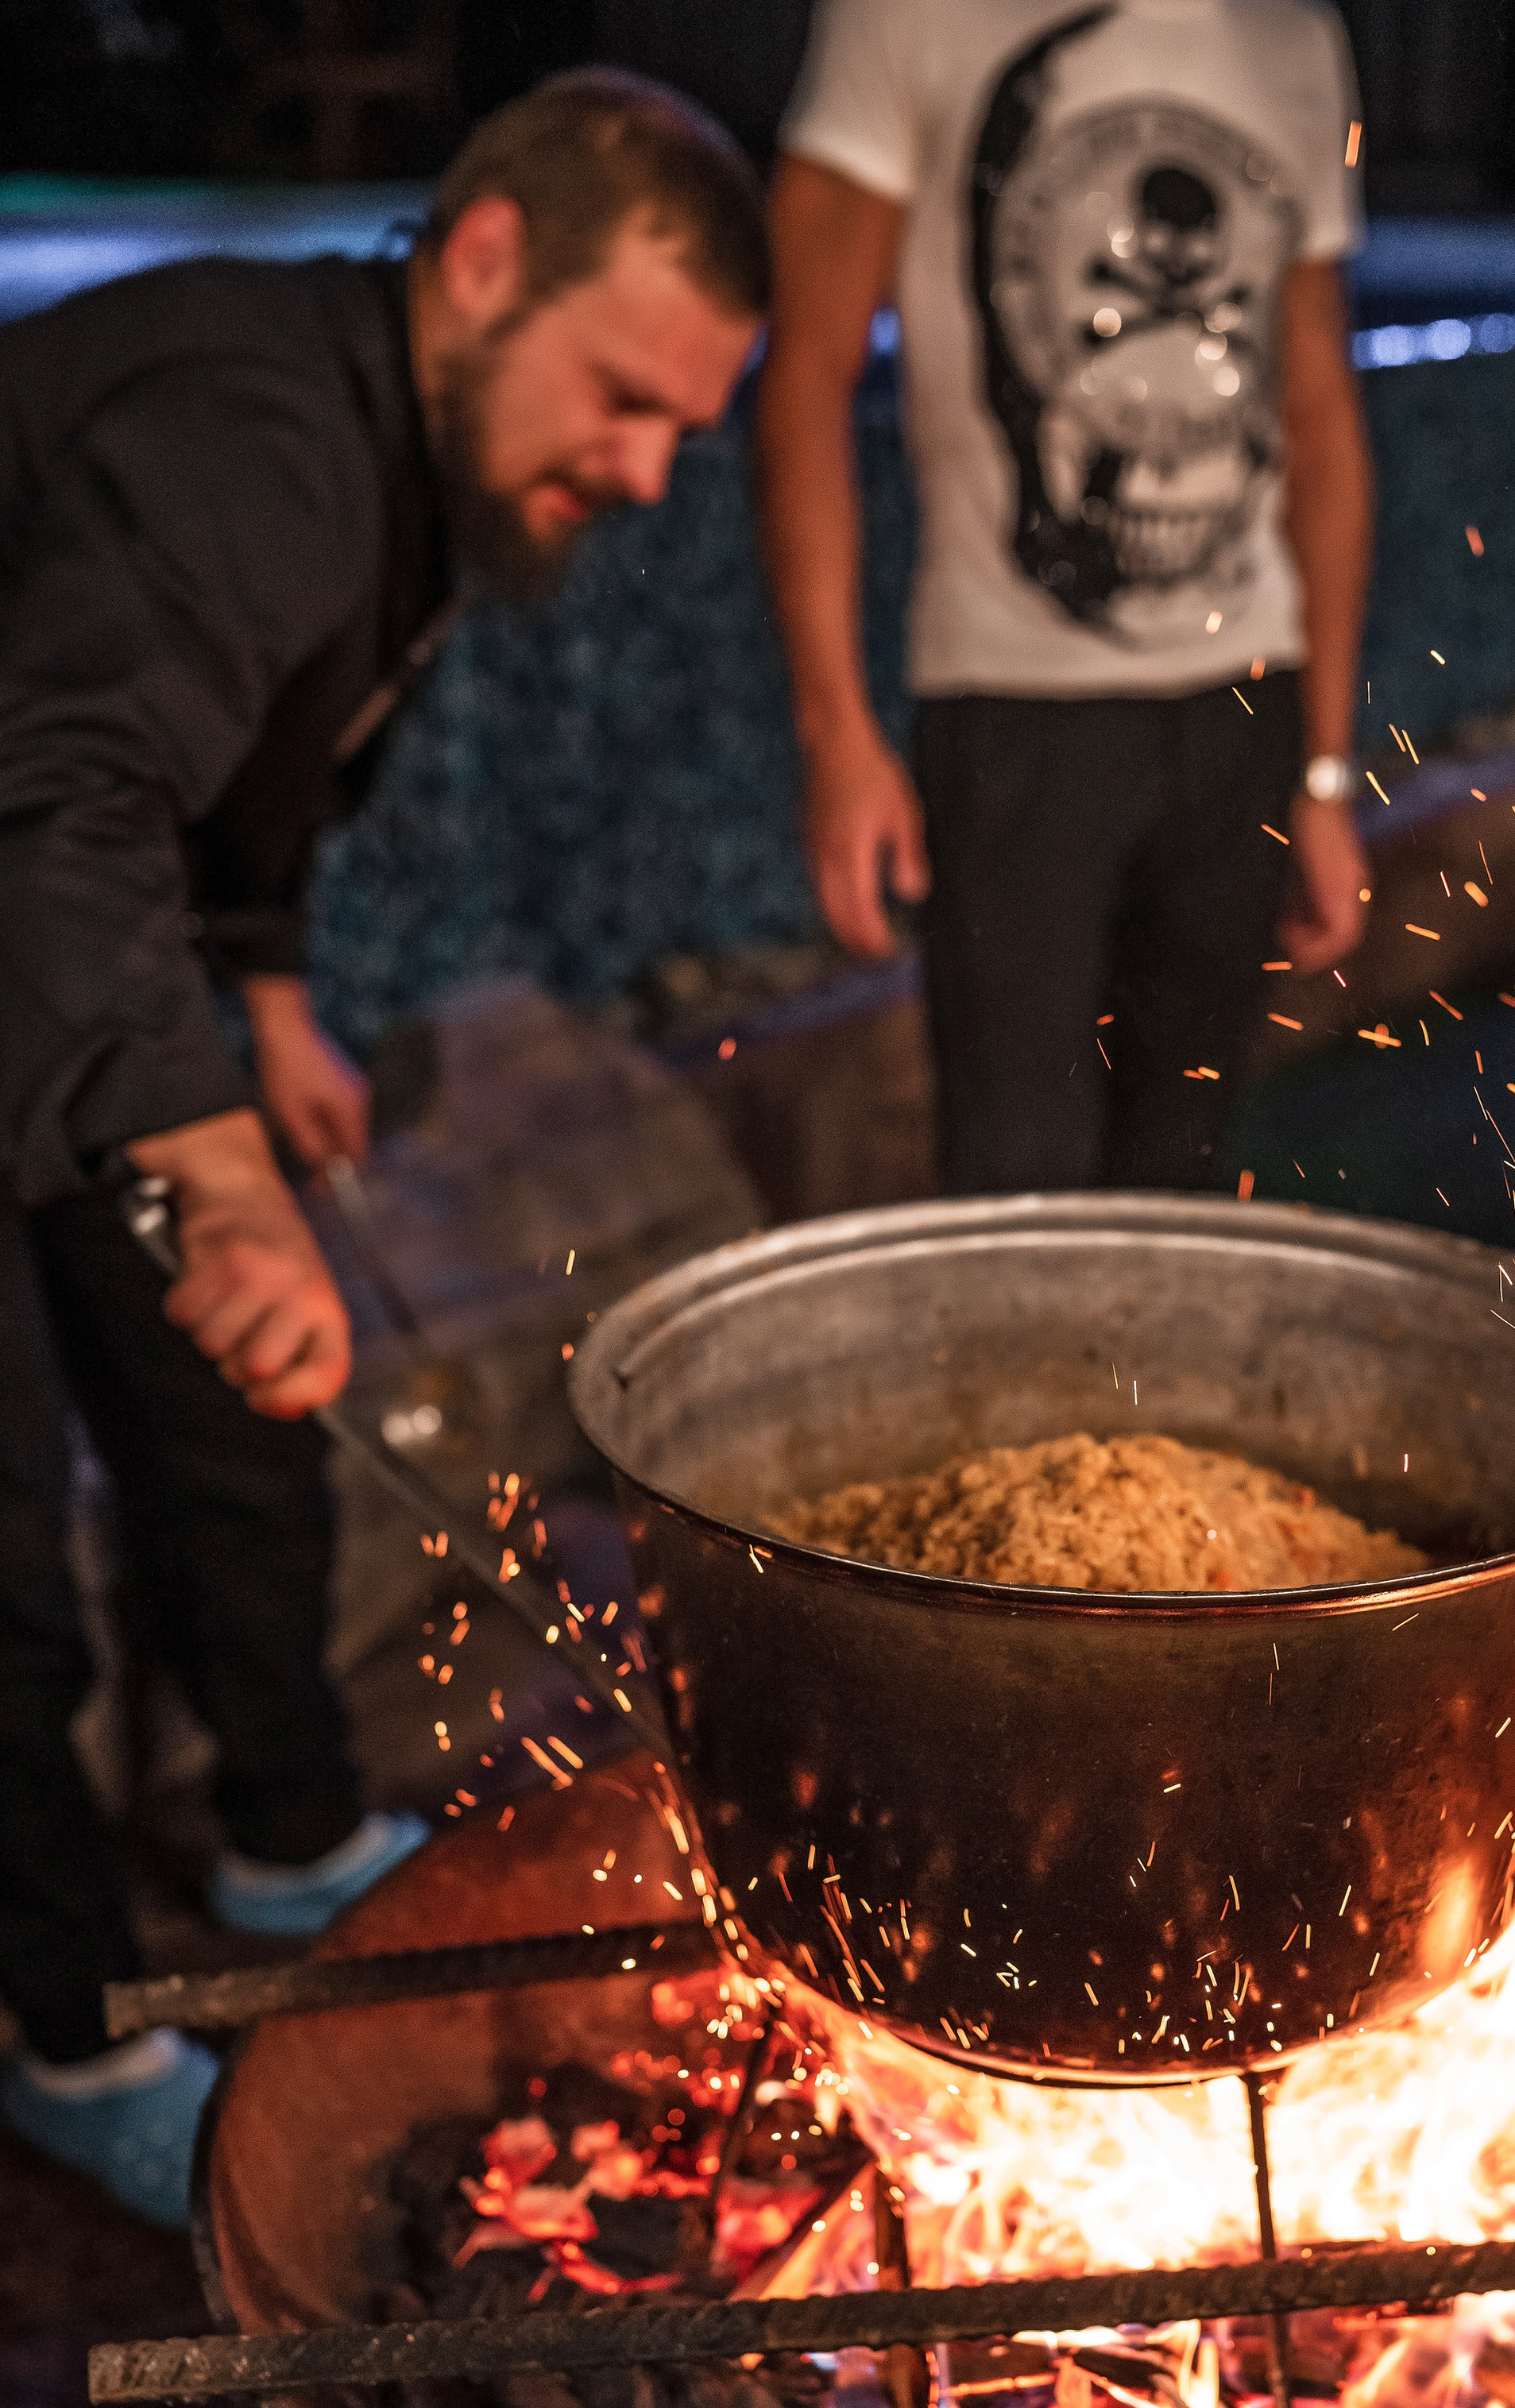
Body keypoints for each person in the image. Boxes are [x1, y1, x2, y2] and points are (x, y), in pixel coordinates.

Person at [0, 69, 767, 2224]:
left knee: (234, 1423)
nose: (644, 470)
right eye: (624, 399)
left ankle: (287, 1839)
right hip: (36, 895)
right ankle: (59, 2033)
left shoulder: (420, 471)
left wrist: (259, 1004)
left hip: (86, 953)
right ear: (488, 260)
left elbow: (235, 783)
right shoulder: (256, 434)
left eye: (681, 430)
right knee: (5, 1573)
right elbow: (62, 785)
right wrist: (218, 1169)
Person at [755, 0, 1374, 1195]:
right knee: (1014, 1178)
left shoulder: (1293, 39)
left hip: (1247, 701)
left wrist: (1324, 769)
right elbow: (806, 369)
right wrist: (835, 731)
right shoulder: (909, 17)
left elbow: (1318, 410)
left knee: (1185, 1169)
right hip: (1012, 708)